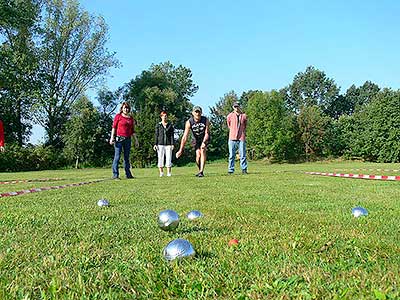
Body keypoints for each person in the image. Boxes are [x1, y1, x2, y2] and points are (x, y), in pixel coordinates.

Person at [176, 106, 210, 177]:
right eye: (196, 112)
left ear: (201, 112)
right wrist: (180, 150)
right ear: (193, 113)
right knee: (198, 156)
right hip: (196, 139)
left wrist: (204, 142)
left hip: (204, 138)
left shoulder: (205, 120)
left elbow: (207, 133)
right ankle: (200, 169)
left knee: (203, 149)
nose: (197, 113)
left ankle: (201, 171)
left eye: (199, 112)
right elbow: (185, 136)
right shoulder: (189, 122)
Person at [109, 102, 139, 179]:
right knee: (117, 156)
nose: (126, 109)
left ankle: (128, 174)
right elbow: (114, 127)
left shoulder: (131, 118)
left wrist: (136, 140)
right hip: (119, 139)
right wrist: (112, 137)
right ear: (122, 108)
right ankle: (115, 175)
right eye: (125, 108)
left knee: (126, 157)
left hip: (127, 139)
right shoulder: (118, 116)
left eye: (127, 108)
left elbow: (132, 131)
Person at [226, 101, 248, 174]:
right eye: (235, 106)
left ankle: (244, 169)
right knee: (231, 155)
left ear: (239, 106)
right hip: (232, 138)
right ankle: (231, 170)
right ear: (233, 107)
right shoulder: (229, 116)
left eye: (237, 106)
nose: (236, 108)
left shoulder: (244, 116)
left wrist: (242, 133)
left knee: (243, 155)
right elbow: (229, 125)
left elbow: (245, 125)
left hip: (241, 137)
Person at [153, 111, 175, 177]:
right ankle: (161, 172)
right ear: (161, 117)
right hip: (160, 144)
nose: (165, 117)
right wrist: (155, 144)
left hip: (168, 144)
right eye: (163, 116)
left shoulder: (170, 125)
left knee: (169, 158)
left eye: (166, 116)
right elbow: (156, 135)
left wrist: (172, 144)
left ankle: (169, 173)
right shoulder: (158, 125)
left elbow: (172, 135)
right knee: (160, 158)